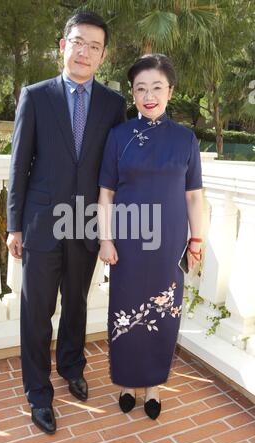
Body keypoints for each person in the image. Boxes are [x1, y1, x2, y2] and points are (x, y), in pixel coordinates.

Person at [6, 11, 126, 434]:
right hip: (40, 222)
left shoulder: (114, 105)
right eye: (78, 42)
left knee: (75, 302)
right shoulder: (35, 95)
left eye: (95, 46)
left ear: (102, 55)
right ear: (64, 45)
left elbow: (114, 170)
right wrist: (13, 224)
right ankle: (38, 392)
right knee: (36, 310)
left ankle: (72, 366)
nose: (85, 52)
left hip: (87, 222)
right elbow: (19, 164)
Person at [98, 54, 203, 420]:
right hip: (127, 243)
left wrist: (197, 240)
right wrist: (106, 239)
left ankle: (155, 386)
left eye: (157, 87)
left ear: (170, 91)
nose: (149, 95)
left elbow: (193, 195)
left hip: (170, 243)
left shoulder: (186, 139)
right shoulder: (118, 137)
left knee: (165, 311)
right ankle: (127, 383)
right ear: (133, 93)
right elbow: (106, 193)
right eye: (141, 88)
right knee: (124, 312)